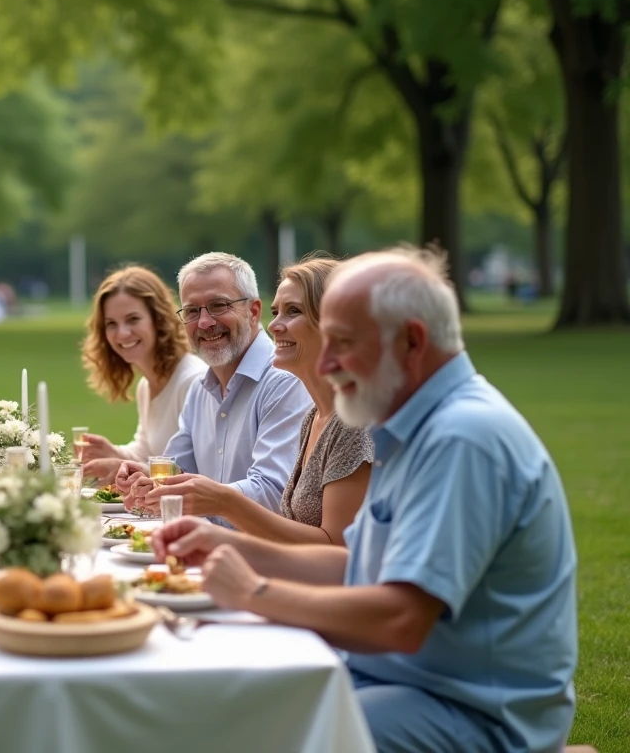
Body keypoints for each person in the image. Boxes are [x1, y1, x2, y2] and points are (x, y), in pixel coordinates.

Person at [153, 247, 577, 753]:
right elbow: (358, 568)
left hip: (473, 712)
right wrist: (230, 549)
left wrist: (255, 592)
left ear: (412, 342)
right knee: (211, 702)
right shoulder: (410, 425)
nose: (326, 363)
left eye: (344, 343)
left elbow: (400, 618)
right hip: (402, 682)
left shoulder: (462, 438)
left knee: (255, 732)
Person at [187, 256, 372, 544]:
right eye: (276, 312)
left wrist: (224, 502)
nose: (274, 326)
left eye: (293, 311)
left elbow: (337, 550)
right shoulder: (315, 417)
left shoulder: (354, 422)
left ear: (336, 325)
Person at [117, 252, 311, 519]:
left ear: (253, 311)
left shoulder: (284, 381)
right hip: (206, 548)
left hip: (258, 556)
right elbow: (175, 471)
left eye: (219, 305)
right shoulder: (200, 389)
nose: (205, 322)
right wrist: (144, 478)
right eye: (192, 311)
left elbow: (273, 493)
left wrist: (201, 497)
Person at [77, 265, 206, 485]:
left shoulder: (193, 381)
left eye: (133, 319)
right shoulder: (146, 386)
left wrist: (119, 465)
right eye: (111, 324)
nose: (122, 333)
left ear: (158, 319)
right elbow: (148, 450)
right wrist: (112, 452)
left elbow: (201, 471)